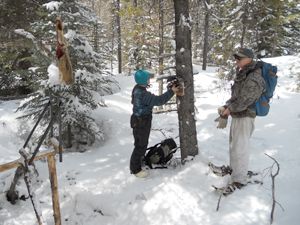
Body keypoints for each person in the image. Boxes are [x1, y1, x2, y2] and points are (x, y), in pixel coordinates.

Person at [213, 48, 266, 194]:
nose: (237, 61)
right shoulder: (244, 73)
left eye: (240, 59)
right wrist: (227, 105)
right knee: (235, 146)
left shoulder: (254, 77)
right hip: (238, 115)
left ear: (249, 59)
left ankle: (239, 180)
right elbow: (237, 95)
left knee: (240, 148)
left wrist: (229, 110)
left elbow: (245, 100)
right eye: (236, 59)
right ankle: (235, 170)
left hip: (246, 116)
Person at [130, 70, 180, 178]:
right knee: (140, 146)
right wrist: (171, 91)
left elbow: (153, 99)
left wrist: (169, 90)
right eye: (147, 78)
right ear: (144, 80)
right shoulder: (142, 94)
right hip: (141, 122)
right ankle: (135, 169)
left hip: (139, 121)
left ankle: (139, 161)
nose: (149, 79)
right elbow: (158, 101)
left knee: (141, 144)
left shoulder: (138, 89)